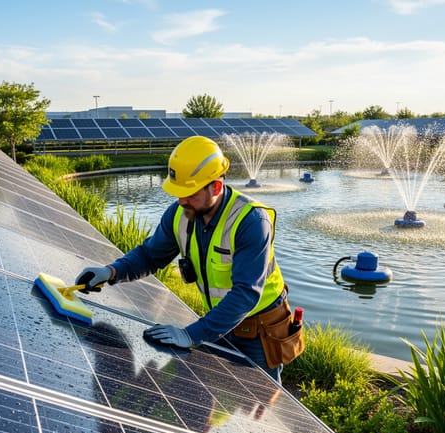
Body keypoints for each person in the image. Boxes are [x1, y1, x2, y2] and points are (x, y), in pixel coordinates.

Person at [75, 135, 289, 382]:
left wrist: (192, 335)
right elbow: (149, 255)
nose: (181, 200)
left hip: (259, 334)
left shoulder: (251, 221)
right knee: (212, 397)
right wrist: (111, 272)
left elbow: (246, 294)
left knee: (257, 409)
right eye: (178, 192)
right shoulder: (180, 214)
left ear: (216, 188)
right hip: (218, 321)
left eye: (189, 193)